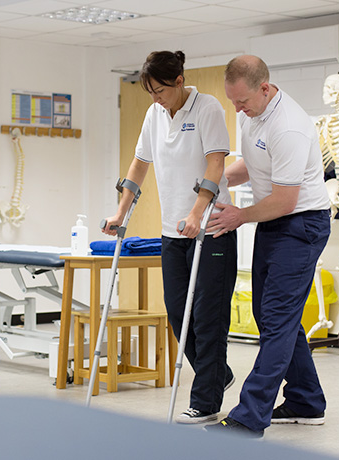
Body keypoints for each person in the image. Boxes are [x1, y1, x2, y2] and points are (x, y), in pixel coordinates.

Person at [103, 50, 237, 424]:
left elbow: (216, 162)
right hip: (172, 233)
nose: (156, 99)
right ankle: (218, 376)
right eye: (150, 92)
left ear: (179, 81)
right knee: (179, 314)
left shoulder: (207, 108)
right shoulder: (154, 114)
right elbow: (139, 164)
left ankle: (206, 401)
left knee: (209, 318)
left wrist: (197, 213)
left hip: (211, 229)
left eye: (160, 90)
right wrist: (120, 211)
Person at [205, 55, 331, 438]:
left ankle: (249, 416)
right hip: (274, 222)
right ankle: (306, 401)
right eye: (232, 102)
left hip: (301, 223)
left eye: (242, 102)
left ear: (265, 87)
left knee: (277, 319)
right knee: (270, 314)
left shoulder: (289, 126)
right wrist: (212, 180)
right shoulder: (250, 112)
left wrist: (239, 216)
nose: (237, 109)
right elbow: (253, 165)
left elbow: (285, 200)